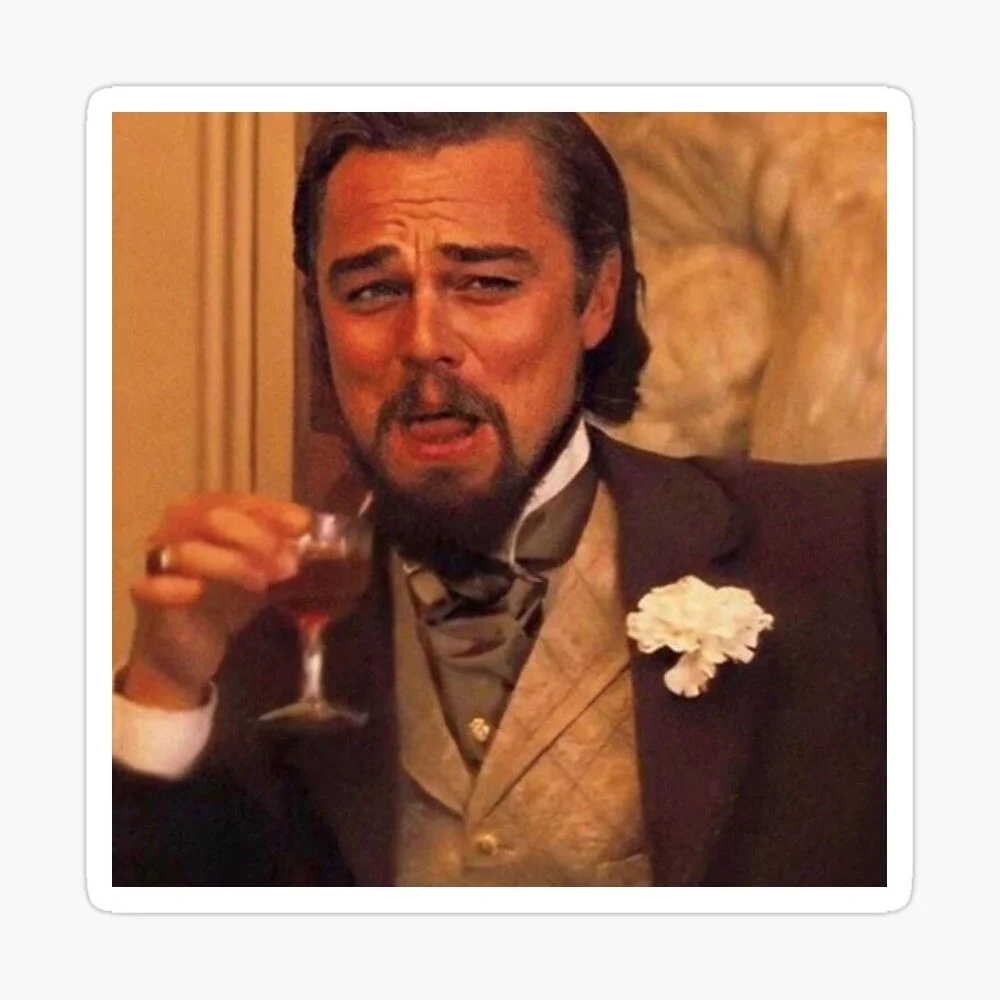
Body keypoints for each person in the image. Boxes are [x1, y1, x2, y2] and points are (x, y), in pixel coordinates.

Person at [113, 113, 886, 887]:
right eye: (373, 290)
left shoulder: (851, 551)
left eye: (486, 283)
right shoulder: (252, 633)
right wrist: (163, 687)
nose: (423, 341)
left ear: (596, 298)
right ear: (320, 317)